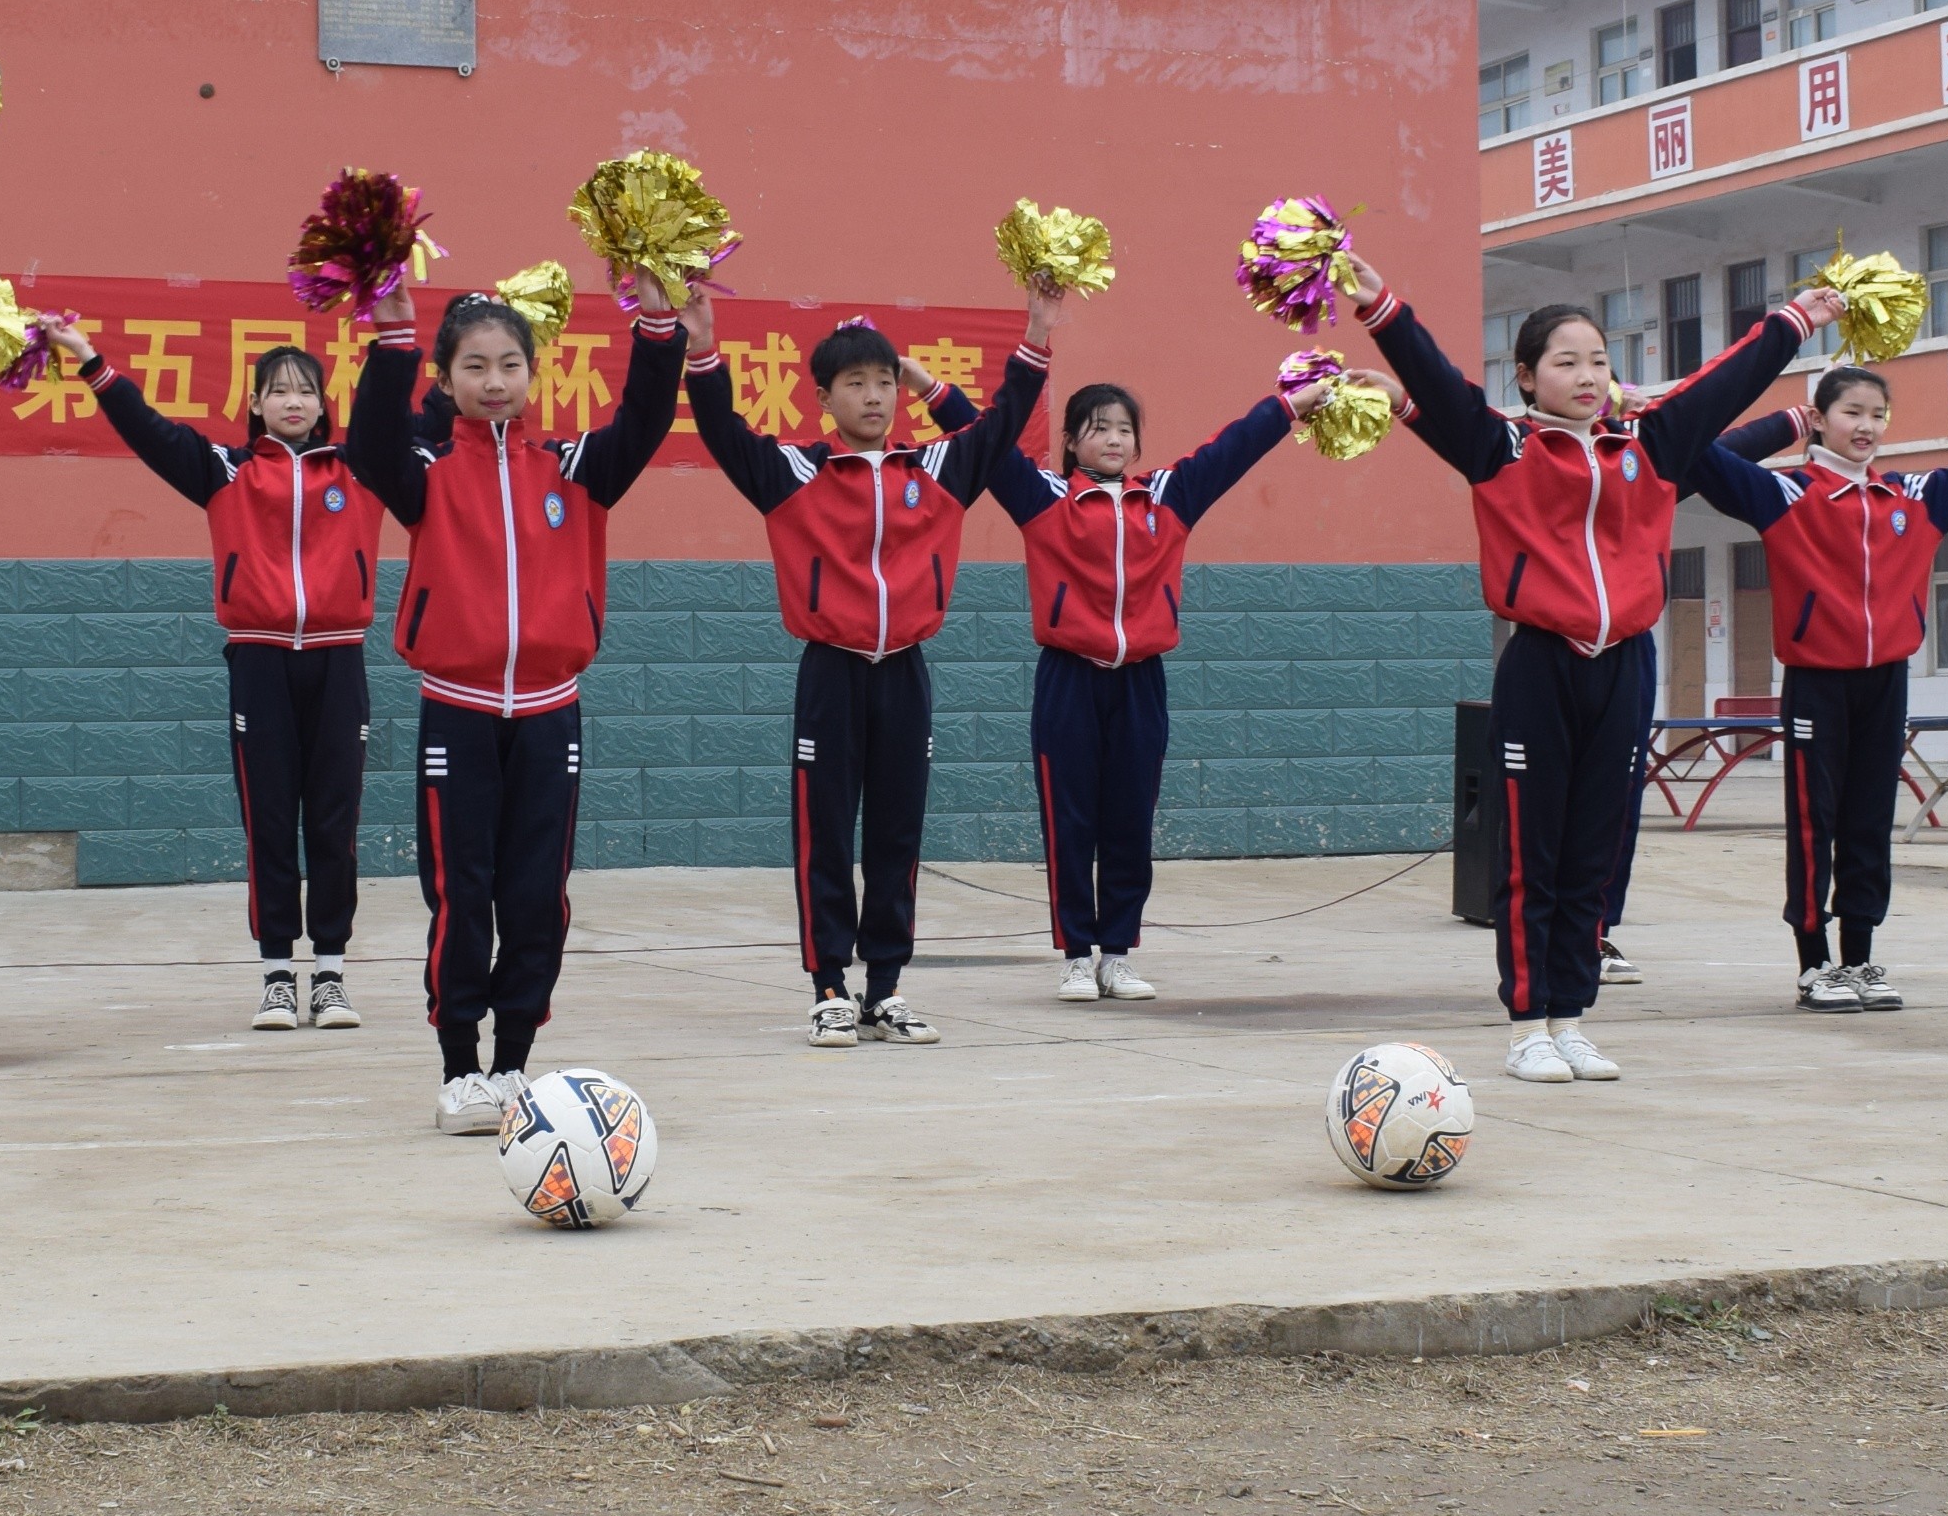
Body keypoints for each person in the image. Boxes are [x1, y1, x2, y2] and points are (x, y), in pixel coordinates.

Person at [1355, 259, 1839, 1083]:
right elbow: (1432, 379)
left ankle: (1571, 1015)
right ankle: (1525, 1024)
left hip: (1625, 667)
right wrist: (1376, 305)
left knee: (1594, 850)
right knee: (1530, 854)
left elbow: (1724, 384)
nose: (1586, 376)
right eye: (1565, 361)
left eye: (1599, 361)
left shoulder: (1648, 446)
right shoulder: (1498, 447)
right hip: (1541, 665)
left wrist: (1795, 319)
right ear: (1526, 376)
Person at [346, 268, 687, 1135]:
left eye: (508, 365)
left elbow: (645, 420)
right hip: (455, 708)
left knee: (537, 893)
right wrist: (389, 340)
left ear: (533, 374)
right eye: (472, 366)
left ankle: (513, 1062)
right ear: (447, 378)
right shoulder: (424, 471)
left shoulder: (573, 468)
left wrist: (657, 321)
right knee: (462, 890)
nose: (493, 381)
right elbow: (369, 444)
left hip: (549, 712)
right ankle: (460, 1067)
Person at [684, 290, 1058, 1046]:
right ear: (822, 398)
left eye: (884, 380)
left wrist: (1038, 333)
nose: (874, 395)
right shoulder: (793, 473)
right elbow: (722, 432)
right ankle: (828, 984)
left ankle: (884, 987)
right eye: (854, 383)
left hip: (904, 674)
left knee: (896, 832)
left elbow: (1003, 422)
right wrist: (701, 348)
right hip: (829, 671)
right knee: (824, 831)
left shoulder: (938, 470)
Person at [1686, 365, 1948, 1012]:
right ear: (1818, 419)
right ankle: (1813, 961)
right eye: (1850, 411)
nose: (1866, 426)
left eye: (1877, 413)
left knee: (1869, 817)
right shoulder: (1783, 493)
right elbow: (1693, 450)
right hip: (1815, 682)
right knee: (1814, 820)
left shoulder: (1913, 496)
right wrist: (1666, 420)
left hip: (1885, 681)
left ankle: (1860, 957)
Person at [986, 360, 1388, 1002]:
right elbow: (985, 444)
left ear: (1138, 444)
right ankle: (1075, 954)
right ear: (1070, 442)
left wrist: (1292, 405)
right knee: (1069, 819)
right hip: (1068, 678)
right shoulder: (1043, 500)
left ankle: (1116, 954)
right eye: (1096, 428)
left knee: (1129, 819)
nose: (1113, 440)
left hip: (1141, 681)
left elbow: (1230, 450)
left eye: (1123, 429)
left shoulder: (1168, 497)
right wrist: (929, 389)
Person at [58, 328, 385, 1032]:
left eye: (305, 389)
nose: (292, 400)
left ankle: (329, 974)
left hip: (339, 658)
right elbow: (149, 430)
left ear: (324, 406)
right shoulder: (225, 472)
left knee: (334, 820)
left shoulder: (360, 470)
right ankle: (275, 975)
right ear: (256, 405)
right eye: (278, 389)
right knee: (268, 819)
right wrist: (90, 362)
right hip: (259, 660)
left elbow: (421, 413)